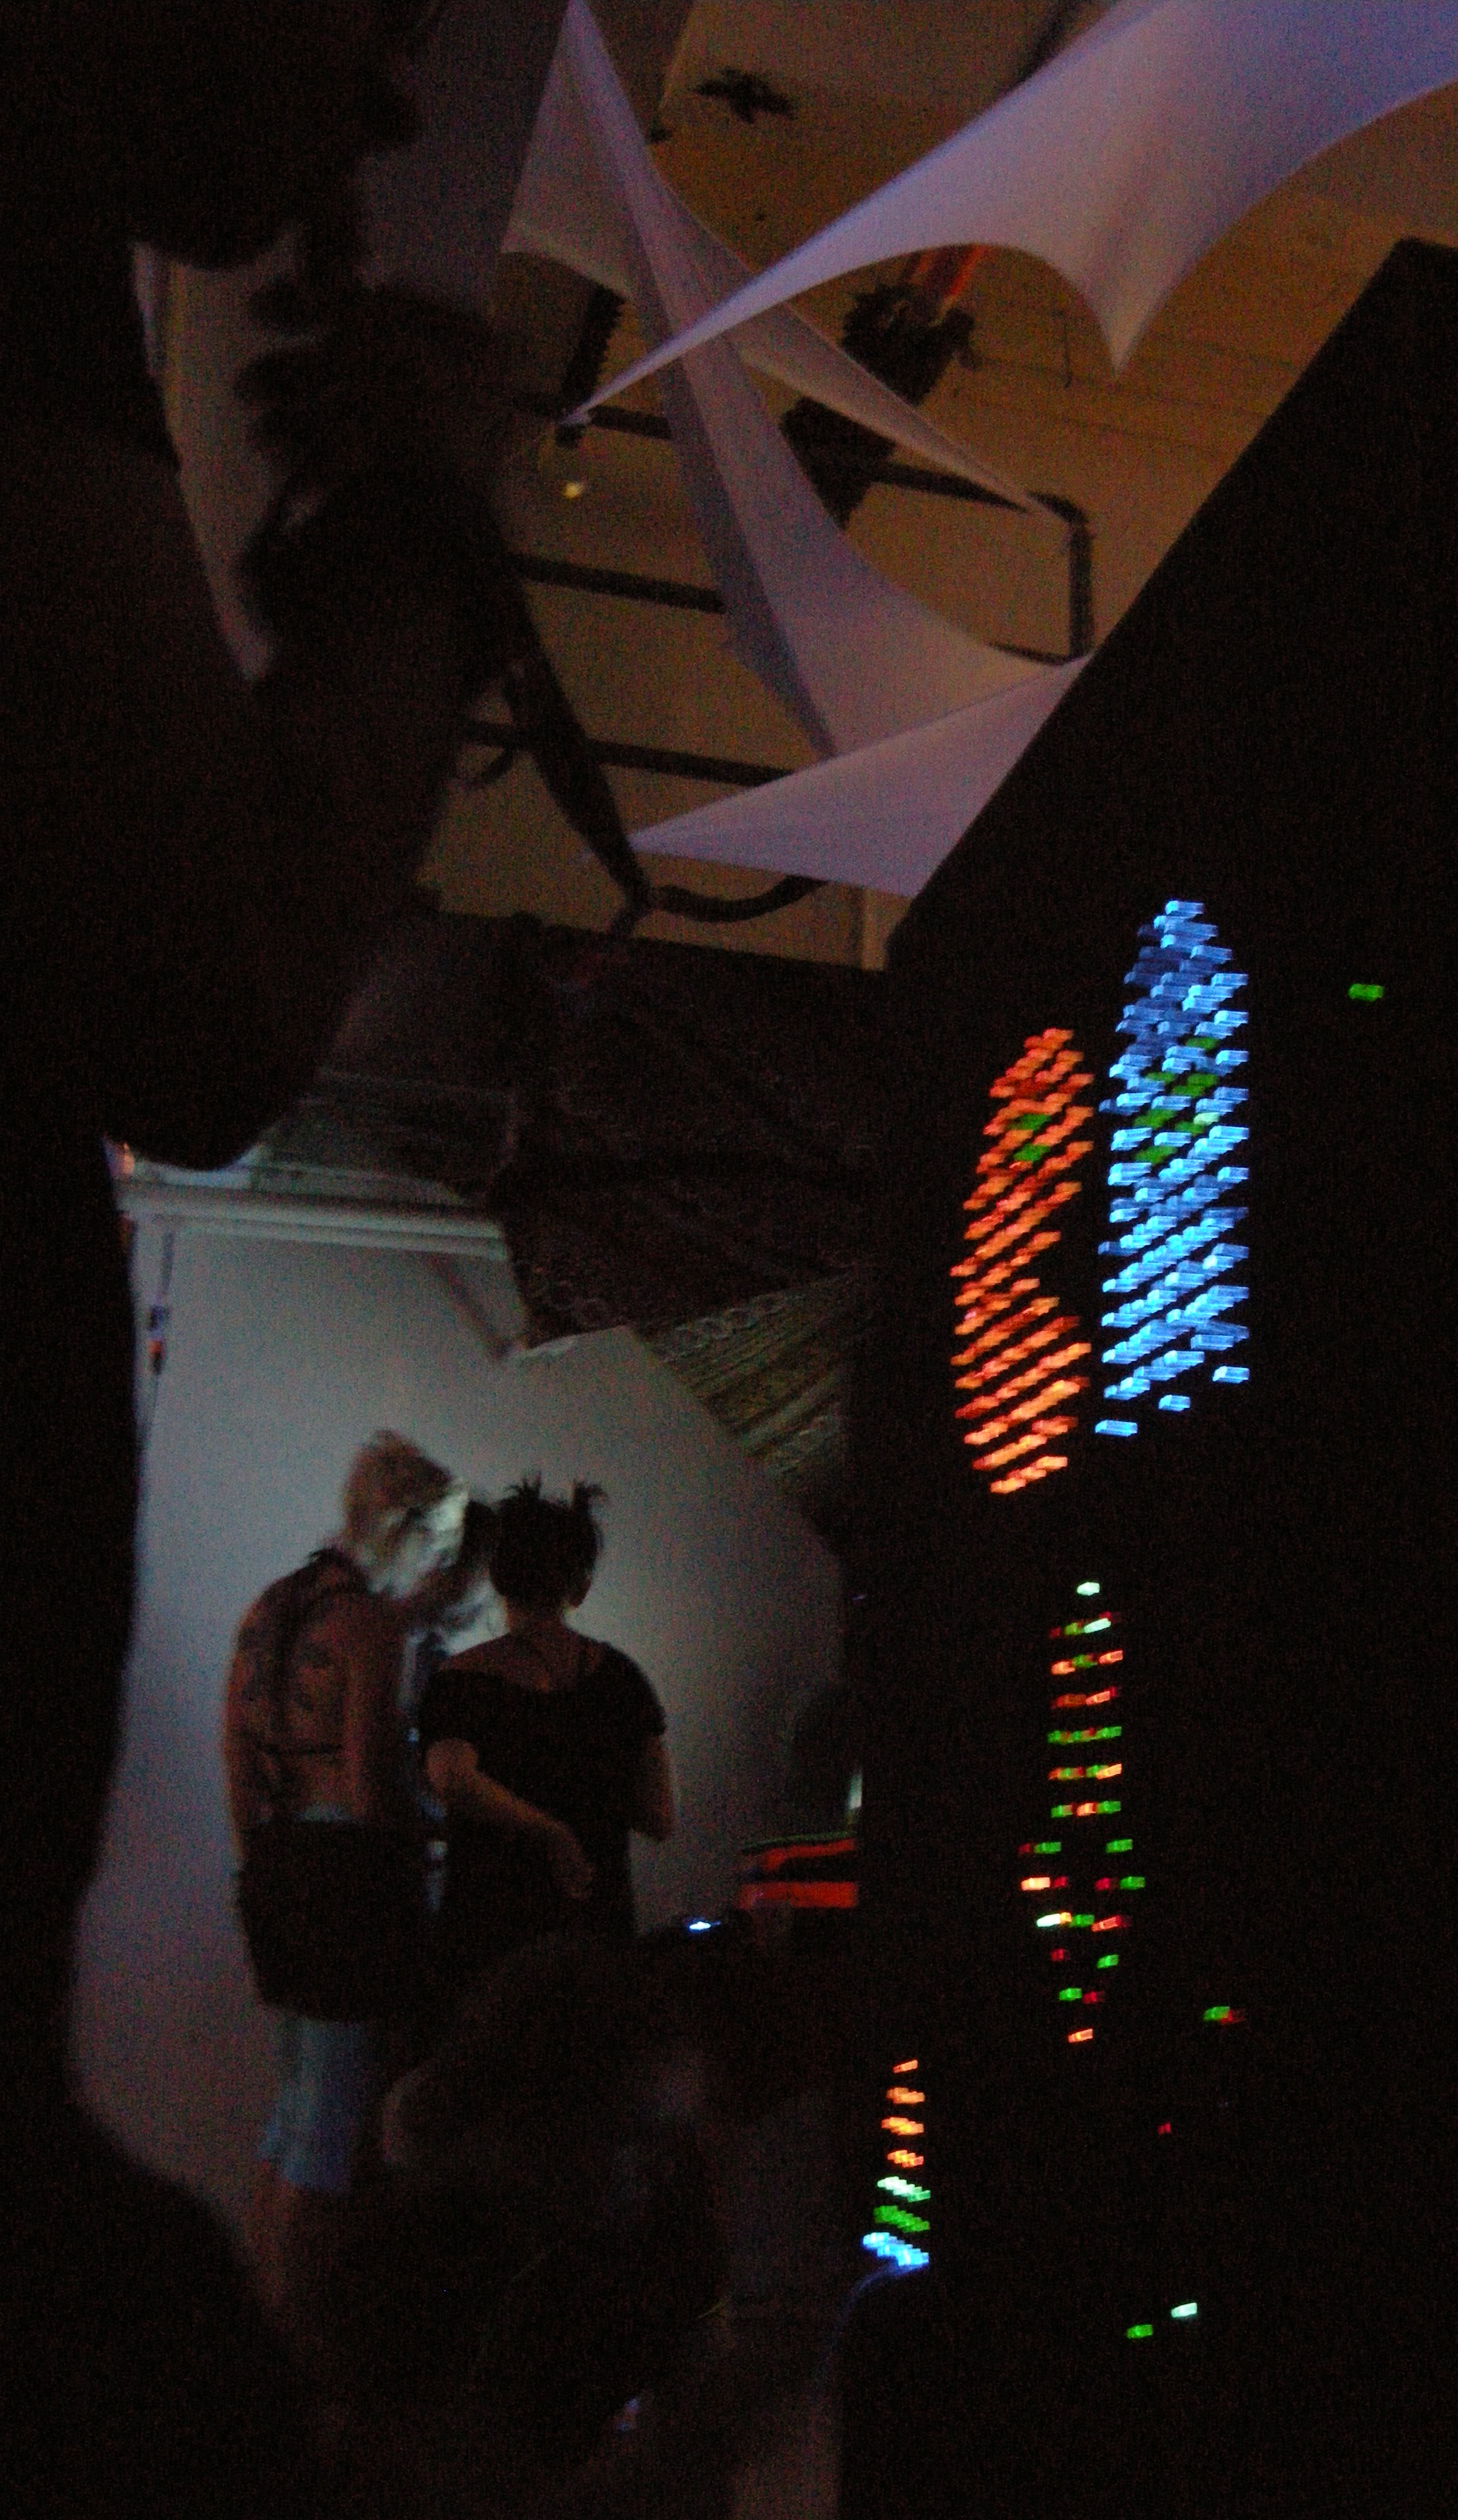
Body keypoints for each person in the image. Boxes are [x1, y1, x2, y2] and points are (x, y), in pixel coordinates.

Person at [0, 8, 514, 2507]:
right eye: (383, 9)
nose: (394, 104)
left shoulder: (306, 1615)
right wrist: (419, 544)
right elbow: (206, 991)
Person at [222, 1434, 486, 2345]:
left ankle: (256, 2324)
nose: (433, 1569)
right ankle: (292, 2346)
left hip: (275, 1864)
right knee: (333, 2133)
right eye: (435, 1545)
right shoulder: (366, 1626)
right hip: (346, 1884)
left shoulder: (267, 1610)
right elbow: (373, 1789)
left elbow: (237, 1762)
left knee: (292, 2114)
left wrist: (263, 1866)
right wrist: (439, 1829)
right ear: (405, 1529)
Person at [420, 1480, 675, 2017]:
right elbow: (659, 1817)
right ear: (578, 1588)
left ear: (498, 1577)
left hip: (489, 1945)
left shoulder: (461, 1681)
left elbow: (451, 1776)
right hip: (596, 1939)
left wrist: (548, 1831)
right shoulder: (623, 1681)